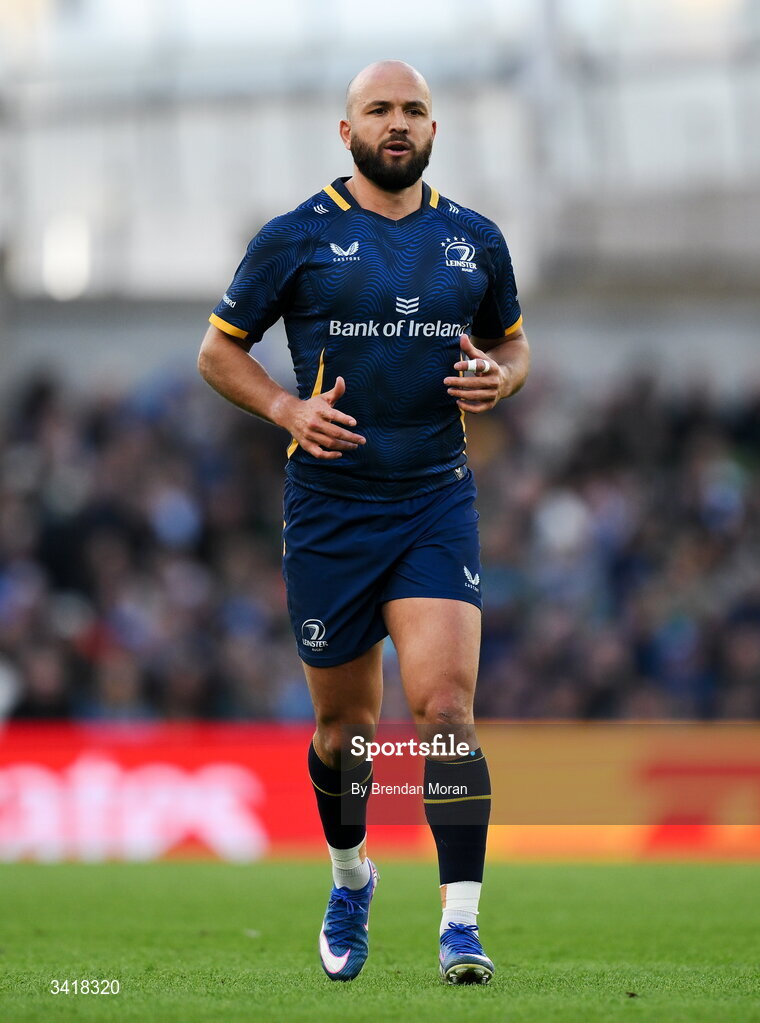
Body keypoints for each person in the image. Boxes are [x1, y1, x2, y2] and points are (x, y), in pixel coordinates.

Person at [198, 59, 530, 985]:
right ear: (345, 132)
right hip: (331, 509)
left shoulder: (475, 239)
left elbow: (512, 342)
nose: (398, 122)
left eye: (413, 110)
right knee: (345, 735)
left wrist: (499, 377)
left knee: (445, 710)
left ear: (433, 131)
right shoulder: (295, 237)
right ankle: (352, 877)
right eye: (378, 109)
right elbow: (218, 354)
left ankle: (459, 926)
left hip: (433, 498)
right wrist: (285, 410)